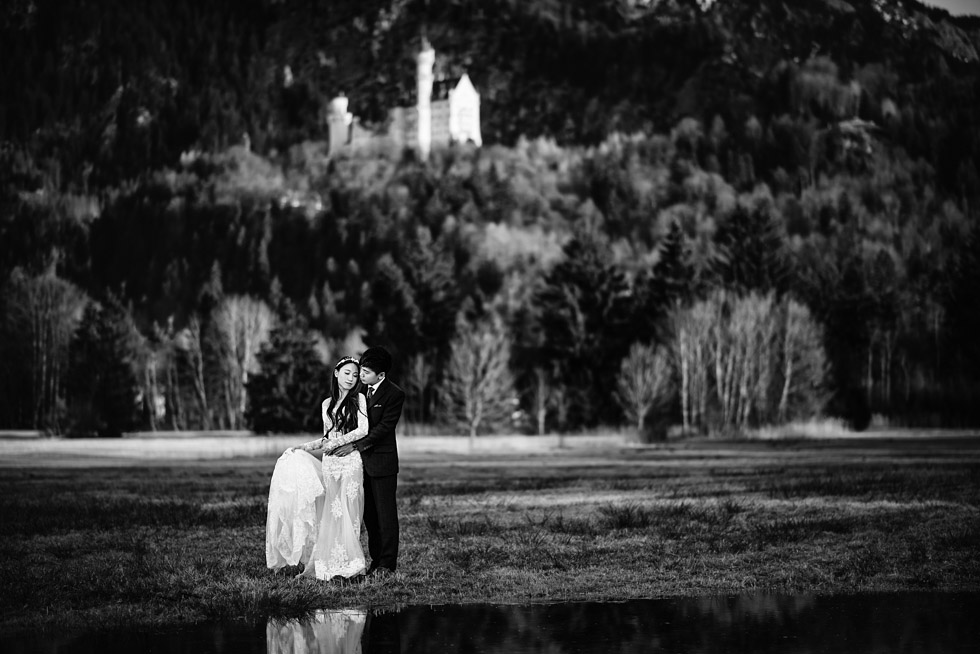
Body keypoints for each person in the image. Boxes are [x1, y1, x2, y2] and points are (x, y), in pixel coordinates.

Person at [265, 356, 368, 581]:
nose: (351, 378)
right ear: (336, 373)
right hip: (330, 463)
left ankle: (352, 564)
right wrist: (303, 447)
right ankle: (326, 563)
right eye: (347, 373)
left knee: (349, 511)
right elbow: (325, 438)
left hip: (351, 461)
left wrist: (338, 443)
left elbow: (363, 430)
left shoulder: (359, 399)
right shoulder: (326, 404)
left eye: (355, 374)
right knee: (330, 513)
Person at [328, 346, 405, 577]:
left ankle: (387, 564)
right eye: (360, 369)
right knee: (369, 516)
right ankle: (375, 560)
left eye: (366, 372)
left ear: (380, 375)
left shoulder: (394, 394)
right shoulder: (359, 389)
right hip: (357, 464)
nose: (360, 375)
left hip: (382, 463)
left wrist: (357, 445)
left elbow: (384, 428)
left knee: (385, 515)